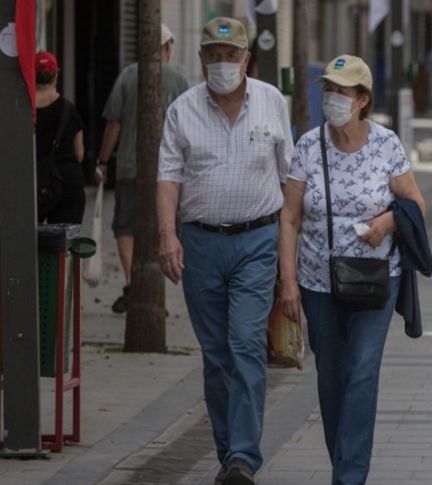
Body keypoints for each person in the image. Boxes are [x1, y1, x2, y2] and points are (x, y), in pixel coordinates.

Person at [157, 17, 293, 485]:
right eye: (213, 55)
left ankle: (243, 457)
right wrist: (167, 236)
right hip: (200, 244)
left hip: (257, 242)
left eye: (230, 55)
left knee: (246, 345)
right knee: (216, 356)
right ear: (201, 60)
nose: (221, 64)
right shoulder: (182, 110)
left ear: (246, 59)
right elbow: (168, 177)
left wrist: (292, 255)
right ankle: (226, 452)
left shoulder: (272, 102)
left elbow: (288, 178)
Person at [278, 55, 425, 484]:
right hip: (316, 281)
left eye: (341, 92)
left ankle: (349, 477)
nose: (331, 99)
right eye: (328, 90)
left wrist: (386, 222)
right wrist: (287, 280)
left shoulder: (386, 144)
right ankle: (343, 464)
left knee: (361, 372)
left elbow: (414, 204)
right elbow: (288, 218)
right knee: (331, 377)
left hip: (377, 279)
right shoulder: (308, 146)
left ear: (362, 100)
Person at [96, 24, 189, 314]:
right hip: (169, 172)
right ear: (165, 48)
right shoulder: (179, 80)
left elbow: (113, 123)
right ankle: (153, 286)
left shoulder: (127, 75)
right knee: (166, 227)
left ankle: (132, 282)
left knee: (125, 226)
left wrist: (101, 161)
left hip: (128, 166)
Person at [34, 51, 86, 224]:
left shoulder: (25, 111)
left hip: (35, 185)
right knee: (65, 244)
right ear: (55, 76)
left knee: (30, 242)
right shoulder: (68, 110)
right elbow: (79, 153)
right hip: (68, 184)